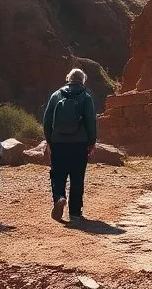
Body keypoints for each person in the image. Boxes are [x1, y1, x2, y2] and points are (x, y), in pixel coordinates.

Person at [43, 67, 97, 222]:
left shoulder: (56, 95)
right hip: (79, 144)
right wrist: (91, 142)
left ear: (68, 79)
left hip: (59, 143)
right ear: (83, 81)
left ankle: (59, 197)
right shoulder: (86, 97)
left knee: (58, 174)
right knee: (77, 177)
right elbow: (91, 121)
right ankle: (75, 212)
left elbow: (47, 121)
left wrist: (49, 141)